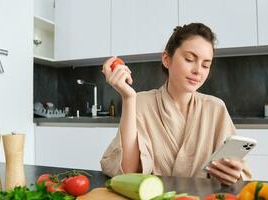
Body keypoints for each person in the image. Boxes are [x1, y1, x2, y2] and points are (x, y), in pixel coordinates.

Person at [100, 23, 251, 185]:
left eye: (206, 65)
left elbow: (238, 174)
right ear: (166, 59)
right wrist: (128, 98)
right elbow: (127, 172)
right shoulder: (140, 102)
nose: (198, 70)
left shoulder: (216, 108)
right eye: (189, 59)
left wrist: (233, 173)